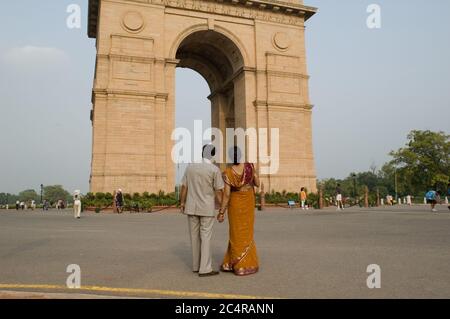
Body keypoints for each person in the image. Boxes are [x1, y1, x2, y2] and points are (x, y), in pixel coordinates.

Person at [180, 144, 224, 277]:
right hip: (206, 207)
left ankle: (195, 265)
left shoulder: (190, 167)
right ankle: (205, 268)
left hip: (191, 207)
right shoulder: (214, 170)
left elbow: (184, 187)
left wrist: (182, 203)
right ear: (212, 155)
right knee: (205, 238)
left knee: (194, 237)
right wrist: (223, 208)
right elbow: (218, 192)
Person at [218, 146, 260, 276]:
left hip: (235, 204)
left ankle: (235, 263)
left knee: (236, 232)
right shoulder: (250, 167)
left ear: (230, 158)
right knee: (247, 231)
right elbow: (257, 184)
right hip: (248, 201)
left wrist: (221, 212)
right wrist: (254, 174)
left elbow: (226, 194)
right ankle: (247, 263)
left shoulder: (228, 172)